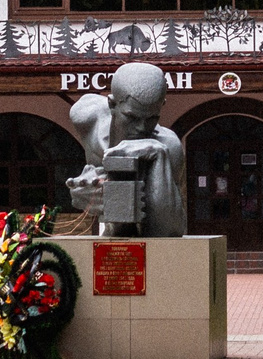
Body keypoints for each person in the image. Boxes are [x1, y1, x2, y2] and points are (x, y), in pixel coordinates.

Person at [66, 62, 187, 237]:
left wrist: (157, 154)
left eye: (152, 118)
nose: (142, 127)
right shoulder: (86, 118)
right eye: (132, 117)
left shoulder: (168, 145)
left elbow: (167, 231)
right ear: (112, 104)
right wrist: (86, 188)